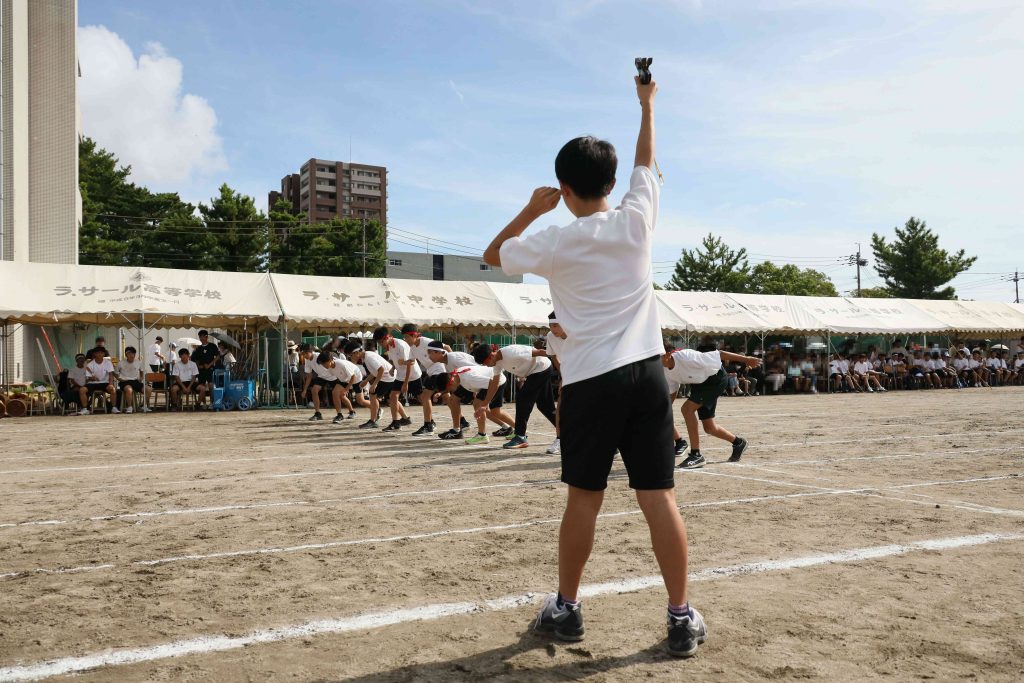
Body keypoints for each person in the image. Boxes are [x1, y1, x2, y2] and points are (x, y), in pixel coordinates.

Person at [483, 75, 706, 656]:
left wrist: (531, 209)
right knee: (659, 497)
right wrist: (647, 104)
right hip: (647, 375)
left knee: (584, 499)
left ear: (564, 187)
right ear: (611, 183)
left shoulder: (555, 239)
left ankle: (568, 609)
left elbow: (492, 255)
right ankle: (680, 616)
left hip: (588, 382)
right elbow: (645, 160)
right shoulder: (636, 219)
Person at [664, 345, 761, 470]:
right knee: (710, 428)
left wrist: (747, 359)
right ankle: (738, 443)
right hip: (699, 384)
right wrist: (665, 411)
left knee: (687, 409)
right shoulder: (664, 369)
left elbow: (720, 354)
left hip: (715, 379)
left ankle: (696, 455)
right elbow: (673, 390)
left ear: (667, 355)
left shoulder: (687, 357)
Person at [474, 341, 557, 450]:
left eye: (484, 363)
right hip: (536, 372)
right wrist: (484, 405)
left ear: (490, 356)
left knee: (522, 398)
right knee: (545, 406)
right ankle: (565, 430)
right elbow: (495, 383)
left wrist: (561, 356)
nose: (485, 366)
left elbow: (540, 352)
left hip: (541, 369)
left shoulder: (512, 352)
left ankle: (520, 436)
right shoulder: (497, 363)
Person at [445, 363, 512, 445]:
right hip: (492, 380)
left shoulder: (468, 378)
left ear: (451, 382)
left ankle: (482, 435)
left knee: (478, 404)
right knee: (495, 412)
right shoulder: (457, 374)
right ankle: (519, 430)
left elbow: (493, 383)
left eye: (449, 389)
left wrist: (485, 404)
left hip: (497, 381)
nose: (451, 391)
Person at [402, 324, 450, 436]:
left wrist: (451, 366)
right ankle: (462, 421)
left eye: (407, 337)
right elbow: (411, 362)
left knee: (425, 396)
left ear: (414, 335)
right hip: (431, 371)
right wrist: (403, 365)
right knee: (446, 397)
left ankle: (428, 425)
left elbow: (447, 347)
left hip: (439, 369)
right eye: (404, 337)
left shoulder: (427, 342)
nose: (405, 340)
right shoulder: (412, 348)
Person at [425, 341, 476, 439]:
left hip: (481, 380)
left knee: (483, 407)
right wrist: (441, 393)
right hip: (469, 381)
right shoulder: (447, 363)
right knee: (453, 399)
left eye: (430, 353)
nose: (428, 356)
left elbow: (474, 369)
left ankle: (483, 433)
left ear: (438, 352)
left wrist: (475, 391)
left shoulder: (454, 359)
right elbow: (451, 383)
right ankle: (457, 430)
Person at [372, 327, 418, 432]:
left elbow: (410, 363)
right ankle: (396, 422)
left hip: (413, 375)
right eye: (378, 343)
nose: (380, 344)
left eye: (381, 342)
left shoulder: (400, 345)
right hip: (400, 375)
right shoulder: (389, 347)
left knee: (422, 398)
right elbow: (395, 360)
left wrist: (406, 383)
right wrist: (393, 368)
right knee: (393, 396)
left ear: (388, 337)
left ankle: (429, 422)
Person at [344, 340, 397, 429]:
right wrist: (366, 380)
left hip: (389, 377)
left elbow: (381, 370)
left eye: (350, 355)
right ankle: (405, 418)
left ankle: (373, 421)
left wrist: (374, 384)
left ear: (356, 352)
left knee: (373, 395)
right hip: (390, 376)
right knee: (392, 399)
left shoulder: (368, 357)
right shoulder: (366, 356)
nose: (350, 358)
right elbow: (375, 371)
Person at [308, 351, 358, 423]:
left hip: (337, 378)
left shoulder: (338, 363)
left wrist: (346, 389)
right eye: (322, 364)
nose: (323, 366)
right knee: (316, 390)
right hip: (323, 377)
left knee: (341, 395)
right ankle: (335, 414)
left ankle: (352, 411)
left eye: (324, 363)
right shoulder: (323, 363)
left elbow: (352, 377)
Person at [544, 312, 567, 455]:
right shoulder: (550, 336)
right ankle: (560, 439)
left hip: (588, 371)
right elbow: (553, 356)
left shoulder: (577, 334)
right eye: (550, 326)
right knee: (560, 406)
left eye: (555, 325)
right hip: (570, 372)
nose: (553, 329)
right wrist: (564, 374)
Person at [191, 330, 220, 408]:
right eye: (200, 337)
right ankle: (204, 403)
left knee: (211, 385)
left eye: (202, 337)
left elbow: (217, 357)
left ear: (206, 337)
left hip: (210, 369)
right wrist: (198, 366)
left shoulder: (212, 346)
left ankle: (212, 402)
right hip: (201, 371)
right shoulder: (198, 348)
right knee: (202, 386)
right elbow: (195, 359)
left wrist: (209, 365)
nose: (201, 338)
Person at [85, 347, 118, 413]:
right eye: (98, 353)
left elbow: (111, 374)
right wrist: (92, 378)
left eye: (101, 353)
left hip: (104, 383)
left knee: (113, 389)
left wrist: (111, 384)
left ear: (104, 354)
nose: (100, 354)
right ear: (95, 354)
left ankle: (113, 407)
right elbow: (88, 377)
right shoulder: (90, 364)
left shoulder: (108, 363)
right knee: (82, 390)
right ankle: (85, 409)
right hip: (92, 384)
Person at [117, 346, 148, 413]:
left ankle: (144, 405)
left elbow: (142, 371)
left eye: (133, 353)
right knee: (129, 390)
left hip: (135, 381)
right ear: (126, 354)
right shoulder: (121, 363)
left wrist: (141, 378)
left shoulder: (138, 362)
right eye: (129, 353)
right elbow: (115, 372)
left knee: (148, 389)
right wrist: (119, 379)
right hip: (125, 382)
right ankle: (129, 407)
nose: (131, 355)